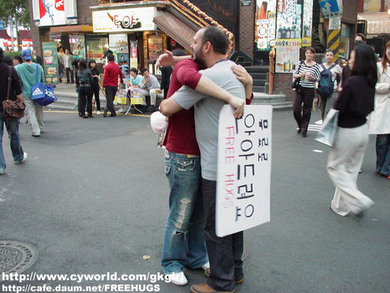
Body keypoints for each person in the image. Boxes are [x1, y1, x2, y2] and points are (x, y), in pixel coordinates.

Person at [160, 26, 253, 293]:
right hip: (237, 162)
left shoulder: (208, 76)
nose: (192, 45)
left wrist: (164, 106)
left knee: (213, 225)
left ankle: (220, 283)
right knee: (232, 220)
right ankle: (234, 272)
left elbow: (168, 106)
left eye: (196, 41)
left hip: (214, 163)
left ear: (208, 47)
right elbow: (247, 105)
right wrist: (246, 87)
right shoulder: (237, 72)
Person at [327, 44, 377, 217]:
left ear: (360, 60)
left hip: (348, 130)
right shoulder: (370, 81)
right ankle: (341, 206)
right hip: (363, 128)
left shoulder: (352, 82)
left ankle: (357, 200)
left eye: (353, 57)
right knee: (350, 169)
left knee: (334, 167)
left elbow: (339, 105)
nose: (350, 60)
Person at [0, 48, 27, 175]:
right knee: (14, 134)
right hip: (10, 108)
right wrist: (20, 103)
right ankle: (18, 157)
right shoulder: (11, 70)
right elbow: (18, 91)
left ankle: (1, 166)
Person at [368, 41, 390, 180]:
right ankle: (380, 166)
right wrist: (387, 86)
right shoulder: (378, 67)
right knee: (382, 140)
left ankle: (386, 169)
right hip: (383, 105)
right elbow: (372, 85)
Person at [15, 49, 45, 137]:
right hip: (39, 92)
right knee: (39, 110)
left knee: (30, 112)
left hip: (26, 93)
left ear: (22, 58)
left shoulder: (18, 68)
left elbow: (17, 82)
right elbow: (42, 80)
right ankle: (41, 127)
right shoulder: (38, 67)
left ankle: (36, 131)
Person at [292, 47, 321, 137]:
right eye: (307, 53)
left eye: (310, 53)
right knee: (296, 109)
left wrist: (311, 77)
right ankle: (300, 125)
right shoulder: (300, 64)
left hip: (309, 89)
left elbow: (317, 78)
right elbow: (295, 75)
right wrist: (301, 74)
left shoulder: (316, 66)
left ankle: (304, 130)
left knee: (307, 110)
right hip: (300, 88)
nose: (308, 55)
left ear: (313, 55)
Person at [318, 49, 342, 121]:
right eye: (327, 55)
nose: (329, 57)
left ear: (333, 57)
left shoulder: (336, 67)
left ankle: (326, 127)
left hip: (332, 90)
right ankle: (324, 124)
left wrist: (339, 85)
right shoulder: (320, 66)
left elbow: (342, 76)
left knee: (328, 110)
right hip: (322, 90)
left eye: (331, 55)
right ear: (324, 56)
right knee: (322, 109)